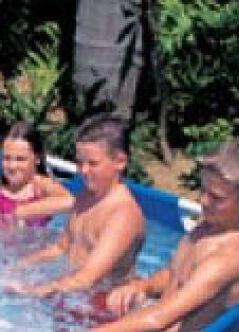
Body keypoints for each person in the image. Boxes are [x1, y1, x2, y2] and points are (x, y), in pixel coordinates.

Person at [30, 139, 239, 332]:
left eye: (216, 198)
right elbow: (175, 273)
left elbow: (159, 320)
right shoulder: (205, 229)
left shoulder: (228, 258)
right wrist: (142, 287)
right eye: (203, 191)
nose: (203, 201)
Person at [13, 114, 144, 296]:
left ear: (120, 161)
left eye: (93, 163)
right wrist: (21, 265)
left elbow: (87, 278)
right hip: (73, 292)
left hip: (103, 304)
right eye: (80, 162)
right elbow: (62, 247)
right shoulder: (86, 195)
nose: (83, 171)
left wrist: (32, 292)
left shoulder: (123, 215)